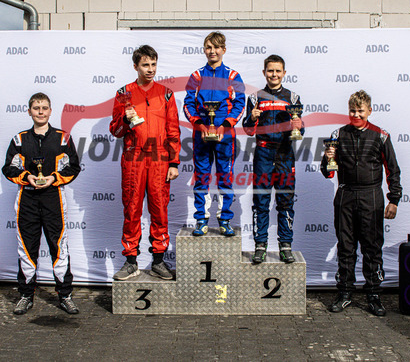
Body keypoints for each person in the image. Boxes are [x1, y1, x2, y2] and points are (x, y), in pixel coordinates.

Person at [321, 90, 402, 316]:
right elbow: (327, 173)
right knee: (345, 247)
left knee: (372, 248)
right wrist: (328, 158)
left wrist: (394, 199)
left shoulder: (381, 135)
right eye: (352, 111)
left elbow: (393, 170)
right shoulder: (338, 134)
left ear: (370, 111)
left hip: (371, 196)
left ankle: (374, 295)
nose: (356, 115)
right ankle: (345, 293)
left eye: (360, 111)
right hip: (345, 195)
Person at [2, 92, 81, 315]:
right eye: (36, 108)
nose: (40, 112)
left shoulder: (63, 138)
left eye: (44, 108)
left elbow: (73, 167)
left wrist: (53, 178)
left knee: (59, 247)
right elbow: (8, 168)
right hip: (27, 199)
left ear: (50, 111)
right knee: (27, 249)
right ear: (29, 111)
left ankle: (65, 295)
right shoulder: (19, 139)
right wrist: (27, 177)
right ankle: (26, 295)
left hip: (53, 198)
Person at [110, 45, 181, 281]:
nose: (150, 69)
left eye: (153, 64)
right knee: (132, 209)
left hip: (160, 158)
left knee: (159, 209)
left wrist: (174, 162)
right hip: (134, 157)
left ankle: (158, 261)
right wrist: (125, 119)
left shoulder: (166, 94)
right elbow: (116, 131)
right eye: (145, 65)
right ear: (135, 66)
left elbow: (173, 130)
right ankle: (131, 262)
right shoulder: (124, 93)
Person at [242, 54, 303, 264]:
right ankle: (260, 245)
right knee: (261, 201)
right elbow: (248, 130)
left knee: (285, 201)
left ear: (284, 73)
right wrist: (251, 118)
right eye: (270, 71)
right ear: (264, 72)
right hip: (263, 154)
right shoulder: (255, 97)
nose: (274, 74)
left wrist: (298, 125)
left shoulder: (292, 98)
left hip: (285, 153)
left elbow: (300, 130)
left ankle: (285, 246)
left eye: (278, 71)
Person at [183, 31, 245, 236]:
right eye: (209, 47)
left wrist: (225, 125)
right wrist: (200, 125)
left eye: (217, 47)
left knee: (225, 177)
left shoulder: (233, 76)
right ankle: (201, 219)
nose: (212, 51)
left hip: (225, 135)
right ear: (204, 50)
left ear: (224, 50)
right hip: (201, 134)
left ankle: (224, 219)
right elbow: (188, 104)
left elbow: (240, 104)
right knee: (201, 177)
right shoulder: (196, 76)